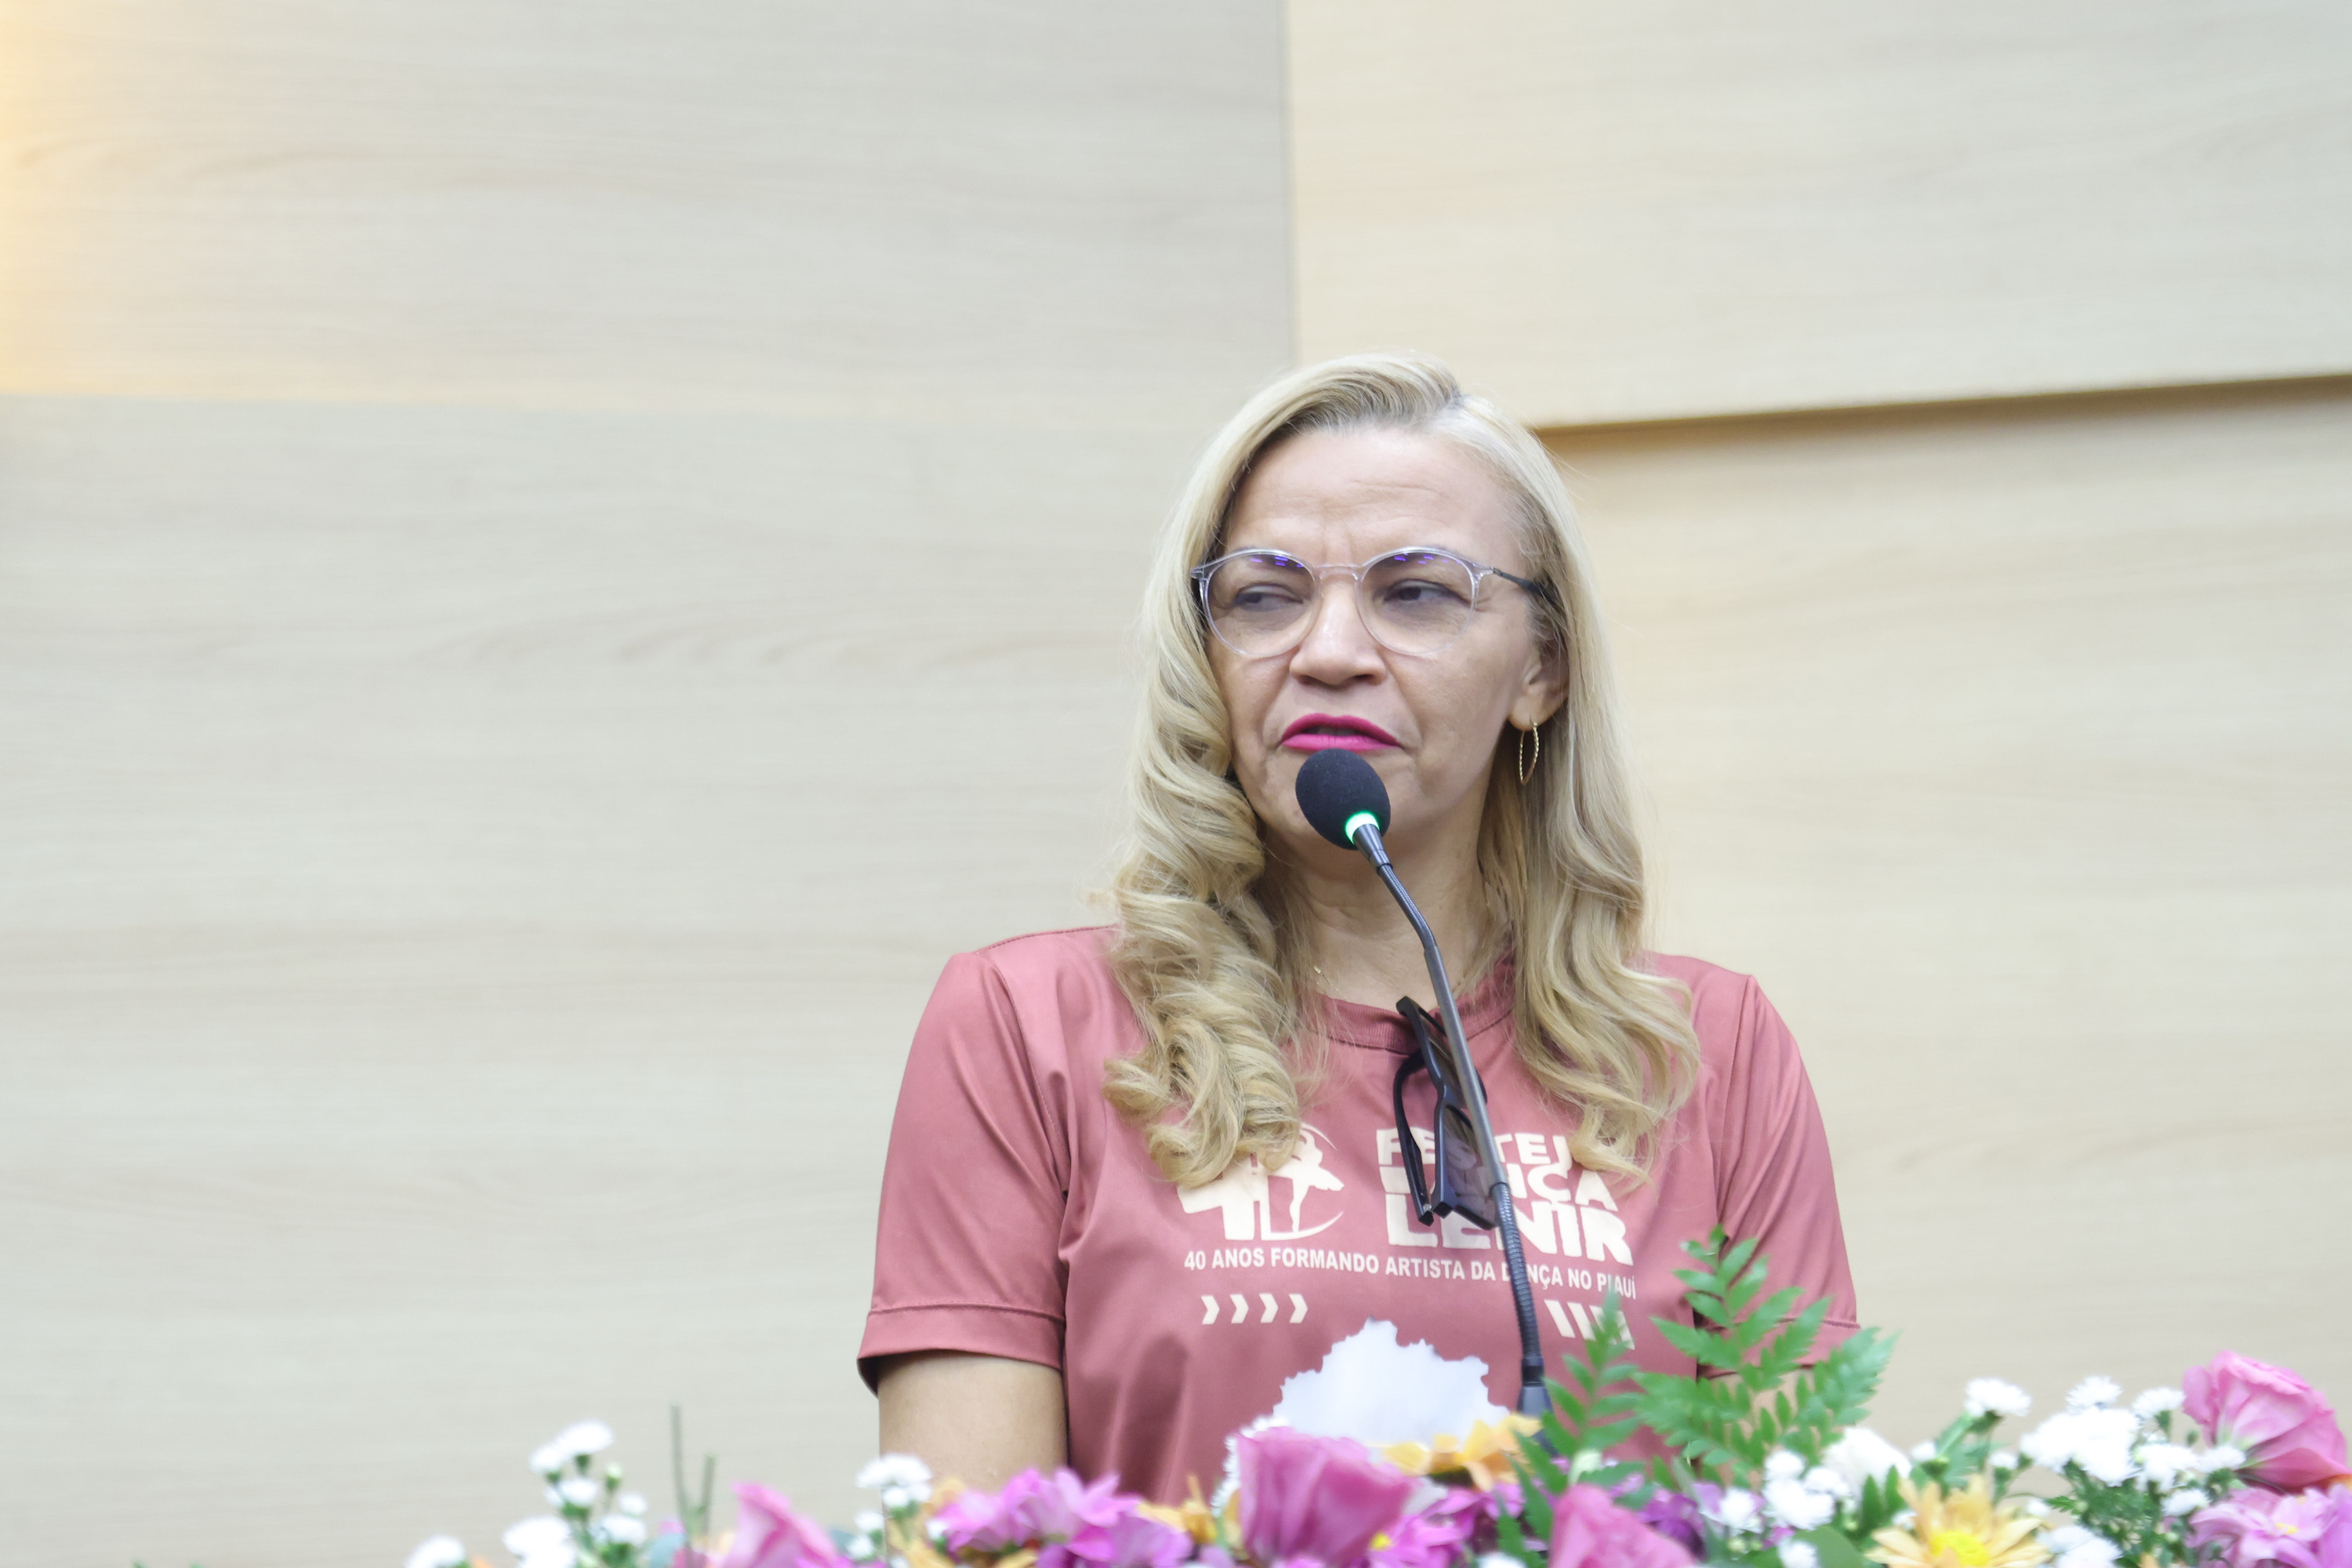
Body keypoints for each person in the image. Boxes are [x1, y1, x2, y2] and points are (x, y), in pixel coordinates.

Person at [858, 352, 1857, 1501]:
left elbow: (1804, 1520)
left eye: (1415, 592)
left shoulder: (1707, 1055)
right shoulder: (1029, 1028)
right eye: (1266, 596)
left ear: (1542, 668)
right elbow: (968, 1534)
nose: (1328, 651)